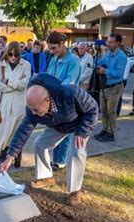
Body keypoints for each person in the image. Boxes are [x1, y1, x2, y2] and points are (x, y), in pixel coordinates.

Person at [0, 73, 98, 206]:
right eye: (31, 109)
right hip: (57, 125)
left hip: (79, 124)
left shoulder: (70, 92)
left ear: (47, 100)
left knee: (76, 151)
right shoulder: (32, 109)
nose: (33, 113)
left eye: (35, 109)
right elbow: (23, 131)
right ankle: (46, 177)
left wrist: (82, 131)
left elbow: (92, 109)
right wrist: (10, 156)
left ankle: (75, 190)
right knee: (40, 143)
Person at [46, 31, 81, 170]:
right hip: (54, 99)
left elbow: (69, 81)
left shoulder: (73, 60)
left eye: (54, 48)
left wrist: (52, 89)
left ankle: (60, 161)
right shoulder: (53, 59)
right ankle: (55, 159)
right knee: (56, 128)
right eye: (49, 48)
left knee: (66, 132)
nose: (51, 51)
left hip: (68, 100)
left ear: (62, 44)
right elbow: (48, 76)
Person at [0, 41, 31, 169]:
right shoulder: (1, 66)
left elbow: (24, 84)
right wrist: (14, 86)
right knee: (4, 131)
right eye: (10, 54)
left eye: (16, 55)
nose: (13, 57)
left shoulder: (26, 65)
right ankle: (1, 157)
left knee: (17, 131)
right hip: (5, 103)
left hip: (20, 104)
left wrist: (8, 81)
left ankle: (17, 156)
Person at [93, 33, 127, 142]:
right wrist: (98, 53)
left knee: (111, 111)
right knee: (103, 110)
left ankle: (111, 133)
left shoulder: (121, 56)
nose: (108, 44)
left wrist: (105, 71)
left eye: (111, 42)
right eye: (108, 41)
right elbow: (98, 63)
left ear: (118, 43)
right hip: (104, 86)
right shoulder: (107, 54)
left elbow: (119, 74)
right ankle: (105, 129)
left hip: (114, 87)